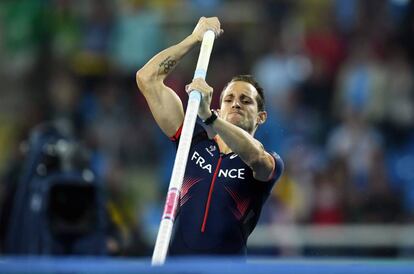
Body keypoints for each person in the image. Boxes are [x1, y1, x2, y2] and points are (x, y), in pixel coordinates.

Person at [136, 17, 283, 256]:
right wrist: (194, 38)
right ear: (218, 107)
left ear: (261, 117)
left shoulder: (268, 161)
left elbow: (255, 156)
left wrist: (211, 119)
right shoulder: (192, 142)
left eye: (245, 101)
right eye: (229, 99)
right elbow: (147, 78)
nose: (236, 104)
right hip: (178, 268)